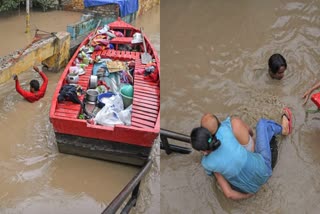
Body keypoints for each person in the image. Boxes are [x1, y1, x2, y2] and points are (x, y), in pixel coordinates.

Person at [190, 108, 292, 200]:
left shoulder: (207, 163)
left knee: (219, 173)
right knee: (262, 124)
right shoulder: (225, 130)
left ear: (202, 150)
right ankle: (284, 130)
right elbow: (249, 132)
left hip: (251, 188)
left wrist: (248, 195)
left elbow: (229, 194)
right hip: (264, 169)